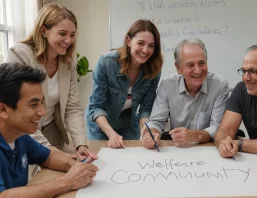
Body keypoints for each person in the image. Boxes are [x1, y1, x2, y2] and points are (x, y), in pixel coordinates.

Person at [6, 3, 96, 161]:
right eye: (62, 33)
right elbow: (20, 110)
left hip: (49, 125)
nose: (68, 40)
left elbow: (72, 107)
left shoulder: (69, 62)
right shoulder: (20, 55)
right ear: (43, 31)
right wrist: (49, 150)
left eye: (72, 34)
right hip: (21, 127)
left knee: (58, 171)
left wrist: (81, 145)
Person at [0, 63, 98, 197]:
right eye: (33, 105)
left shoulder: (20, 137)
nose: (43, 112)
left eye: (42, 103)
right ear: (3, 110)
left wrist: (75, 166)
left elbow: (48, 156)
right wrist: (68, 182)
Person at [85, 19, 163, 148]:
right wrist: (112, 135)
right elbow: (96, 107)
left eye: (151, 45)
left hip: (128, 124)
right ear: (128, 41)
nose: (145, 50)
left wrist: (146, 131)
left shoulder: (154, 70)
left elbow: (145, 109)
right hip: (101, 125)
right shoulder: (106, 63)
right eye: (141, 43)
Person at [142, 38, 229, 148]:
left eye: (202, 63)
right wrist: (151, 134)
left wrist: (195, 136)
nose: (198, 70)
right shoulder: (167, 86)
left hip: (209, 149)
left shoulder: (219, 85)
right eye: (190, 65)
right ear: (178, 68)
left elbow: (218, 127)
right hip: (179, 151)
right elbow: (156, 121)